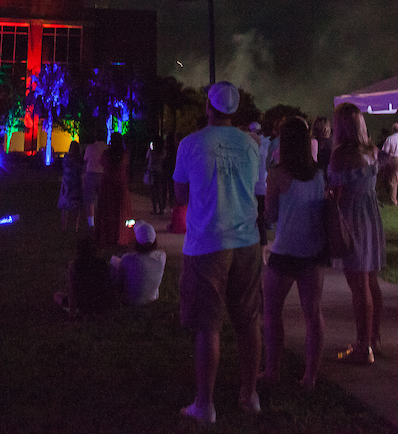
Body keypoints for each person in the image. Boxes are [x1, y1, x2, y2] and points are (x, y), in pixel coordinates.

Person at [173, 82, 263, 425]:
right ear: (235, 111)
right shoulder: (252, 145)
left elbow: (181, 193)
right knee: (248, 321)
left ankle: (205, 404)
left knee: (207, 326)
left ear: (208, 108)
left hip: (207, 243)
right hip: (246, 241)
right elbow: (259, 189)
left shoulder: (191, 143)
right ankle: (249, 395)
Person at [262, 117, 326, 389]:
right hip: (313, 250)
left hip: (285, 250)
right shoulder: (319, 174)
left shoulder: (277, 174)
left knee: (272, 311)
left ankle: (272, 370)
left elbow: (271, 214)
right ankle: (310, 376)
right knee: (313, 314)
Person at [328, 102, 386, 364]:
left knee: (358, 284)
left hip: (352, 217)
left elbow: (338, 193)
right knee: (371, 280)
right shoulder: (372, 151)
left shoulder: (341, 155)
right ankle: (373, 338)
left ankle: (363, 346)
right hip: (371, 215)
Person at [54, 234, 116, 319]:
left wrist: (72, 315)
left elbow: (72, 291)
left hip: (83, 304)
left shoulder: (74, 265)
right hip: (99, 304)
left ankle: (79, 312)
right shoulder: (102, 263)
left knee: (57, 296)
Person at [111, 221, 167, 305]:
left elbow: (120, 280)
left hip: (130, 300)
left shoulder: (127, 258)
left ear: (136, 241)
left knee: (114, 260)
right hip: (152, 299)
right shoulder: (162, 256)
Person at [94, 132, 134, 248]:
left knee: (107, 211)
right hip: (120, 186)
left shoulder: (106, 154)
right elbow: (126, 167)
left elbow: (102, 163)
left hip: (107, 185)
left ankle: (106, 236)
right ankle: (120, 236)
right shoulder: (125, 154)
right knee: (120, 212)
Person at [57, 139, 85, 232]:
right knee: (76, 207)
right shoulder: (79, 158)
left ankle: (63, 227)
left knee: (65, 207)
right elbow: (81, 169)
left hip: (67, 184)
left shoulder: (66, 157)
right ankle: (75, 227)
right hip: (76, 184)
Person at [82, 131, 106, 228]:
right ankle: (102, 221)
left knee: (90, 200)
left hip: (91, 173)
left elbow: (85, 159)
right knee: (102, 199)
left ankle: (91, 224)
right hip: (103, 174)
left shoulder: (90, 148)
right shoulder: (107, 148)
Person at [146, 139, 171, 215]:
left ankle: (154, 209)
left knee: (153, 191)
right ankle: (161, 208)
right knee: (159, 190)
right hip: (159, 172)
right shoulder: (163, 152)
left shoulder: (150, 152)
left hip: (151, 171)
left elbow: (147, 159)